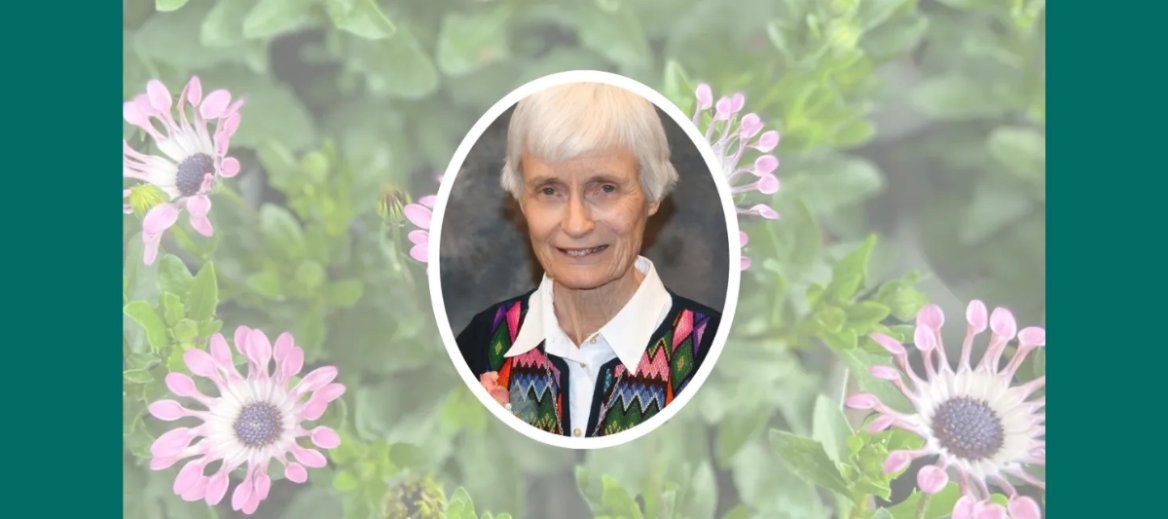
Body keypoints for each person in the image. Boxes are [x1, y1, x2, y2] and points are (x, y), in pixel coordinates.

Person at [456, 82, 722, 438]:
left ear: (653, 193)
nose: (577, 224)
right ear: (521, 201)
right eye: (549, 191)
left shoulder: (712, 351)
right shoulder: (480, 344)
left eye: (606, 188)